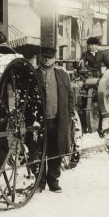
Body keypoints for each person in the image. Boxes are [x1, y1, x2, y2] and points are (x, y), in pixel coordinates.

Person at [35, 46, 74, 193]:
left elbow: (70, 96)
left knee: (56, 151)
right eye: (44, 57)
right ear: (40, 58)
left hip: (58, 119)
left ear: (54, 59)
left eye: (49, 57)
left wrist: (68, 115)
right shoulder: (34, 74)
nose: (46, 60)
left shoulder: (62, 75)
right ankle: (39, 182)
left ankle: (53, 181)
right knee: (39, 151)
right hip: (39, 121)